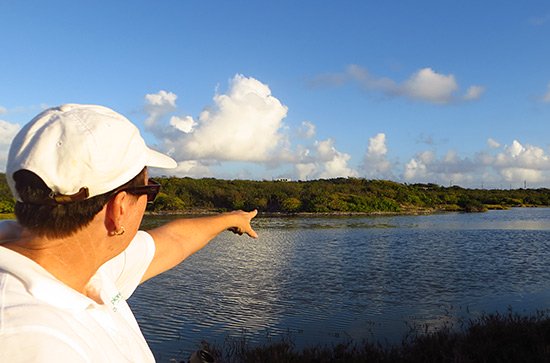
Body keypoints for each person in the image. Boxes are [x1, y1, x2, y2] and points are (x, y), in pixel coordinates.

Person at [0, 104, 258, 362]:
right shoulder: (30, 342)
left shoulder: (84, 265)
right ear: (119, 208)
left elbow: (174, 240)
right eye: (149, 190)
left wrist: (232, 218)